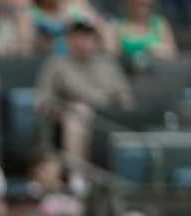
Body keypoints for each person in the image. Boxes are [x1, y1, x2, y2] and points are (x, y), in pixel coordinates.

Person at [36, 17, 134, 162]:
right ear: (68, 39)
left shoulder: (108, 64)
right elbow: (42, 102)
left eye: (86, 36)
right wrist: (68, 109)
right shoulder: (56, 64)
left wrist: (112, 109)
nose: (81, 41)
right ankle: (77, 175)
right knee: (76, 120)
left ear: (95, 39)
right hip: (71, 119)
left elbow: (126, 99)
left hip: (106, 121)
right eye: (76, 36)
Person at [106, 0, 177, 66]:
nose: (145, 2)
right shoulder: (118, 26)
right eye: (140, 2)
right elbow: (112, 56)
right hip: (129, 73)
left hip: (158, 71)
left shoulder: (159, 23)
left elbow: (173, 54)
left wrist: (158, 51)